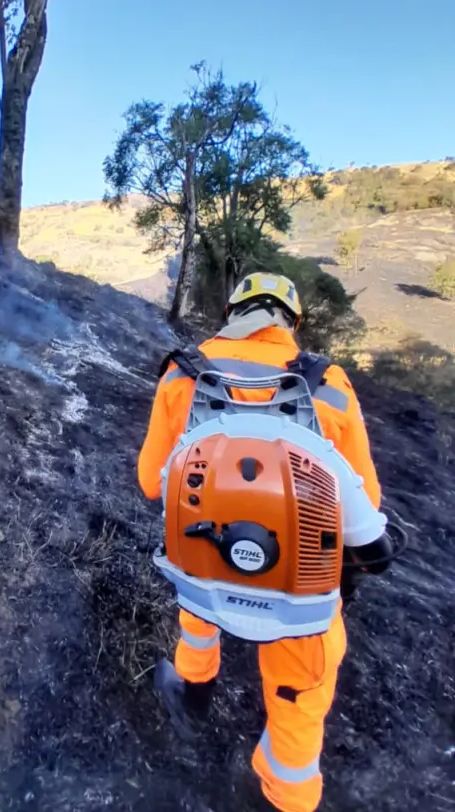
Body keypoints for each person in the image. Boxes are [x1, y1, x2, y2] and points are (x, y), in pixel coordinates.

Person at [138, 272, 386, 812]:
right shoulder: (331, 383)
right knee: (300, 688)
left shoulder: (182, 372)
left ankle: (193, 693)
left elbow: (150, 481)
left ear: (233, 312)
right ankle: (284, 793)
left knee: (197, 562)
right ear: (290, 321)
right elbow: (366, 497)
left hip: (205, 559)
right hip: (299, 578)